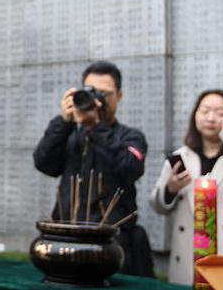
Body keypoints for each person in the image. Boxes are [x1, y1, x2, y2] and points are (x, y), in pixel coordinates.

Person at [33, 60, 154, 278]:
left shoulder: (131, 137)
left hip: (111, 243)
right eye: (91, 92)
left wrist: (96, 128)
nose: (97, 100)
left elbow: (129, 169)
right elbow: (44, 163)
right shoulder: (68, 132)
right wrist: (64, 122)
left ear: (120, 96)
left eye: (104, 93)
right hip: (66, 239)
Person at [150, 89, 223, 286]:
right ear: (195, 116)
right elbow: (158, 206)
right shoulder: (181, 157)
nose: (211, 118)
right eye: (204, 111)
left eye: (220, 113)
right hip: (189, 258)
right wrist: (170, 189)